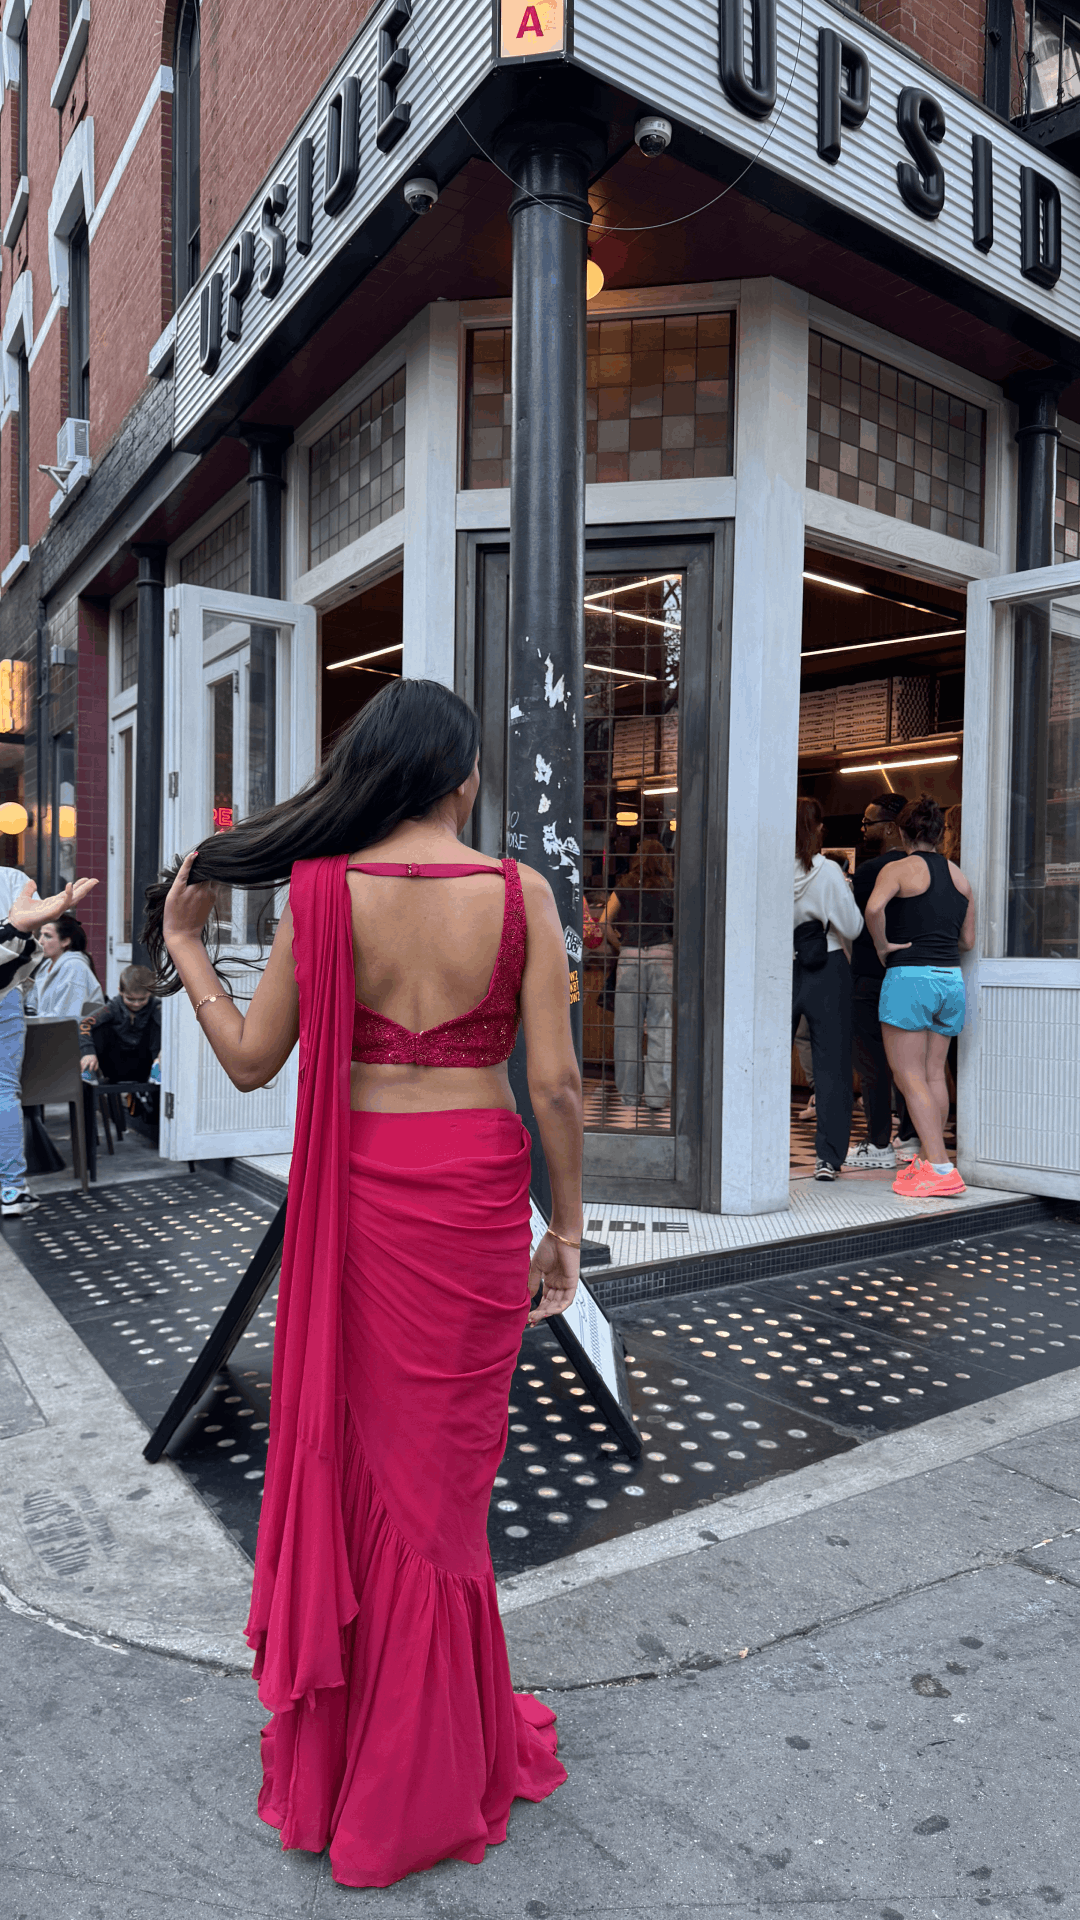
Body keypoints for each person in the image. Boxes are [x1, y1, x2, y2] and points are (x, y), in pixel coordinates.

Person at [146, 678, 576, 1889]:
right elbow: (553, 1089)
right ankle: (439, 1752)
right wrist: (570, 1232)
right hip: (482, 1195)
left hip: (368, 1197)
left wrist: (186, 945)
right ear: (459, 776)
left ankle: (365, 1760)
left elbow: (247, 1062)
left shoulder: (322, 896)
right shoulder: (519, 895)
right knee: (448, 1485)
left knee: (373, 1470)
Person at [864, 794, 975, 1199]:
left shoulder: (899, 869)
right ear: (938, 832)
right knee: (932, 1075)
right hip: (950, 979)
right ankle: (930, 1162)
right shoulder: (959, 876)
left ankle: (942, 1169)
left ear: (903, 831)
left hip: (910, 978)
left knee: (908, 1076)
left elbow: (874, 909)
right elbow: (967, 940)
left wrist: (883, 946)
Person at [0, 874, 98, 1214]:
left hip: (70, 1052)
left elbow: (74, 1017)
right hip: (8, 998)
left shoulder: (71, 967)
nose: (43, 938)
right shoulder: (12, 880)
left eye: (48, 933)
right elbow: (27, 957)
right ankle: (11, 1188)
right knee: (4, 1092)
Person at [793, 796, 863, 1180]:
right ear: (818, 828)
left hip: (779, 969)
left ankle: (756, 1149)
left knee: (765, 1060)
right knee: (832, 1066)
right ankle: (827, 1158)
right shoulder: (830, 871)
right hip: (827, 965)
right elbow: (852, 927)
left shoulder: (770, 869)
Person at [845, 793, 916, 1171]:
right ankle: (908, 1136)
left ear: (890, 827)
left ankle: (877, 1143)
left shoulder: (873, 871)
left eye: (868, 822)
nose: (863, 828)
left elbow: (852, 922)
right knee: (909, 1060)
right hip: (908, 975)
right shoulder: (923, 869)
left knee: (873, 1063)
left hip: (871, 975)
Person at [599, 838, 674, 1112]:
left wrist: (621, 945)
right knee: (660, 1027)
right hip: (664, 957)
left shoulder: (625, 886)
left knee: (626, 1029)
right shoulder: (670, 887)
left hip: (630, 957)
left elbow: (603, 921)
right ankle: (656, 1097)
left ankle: (629, 1096)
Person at [81, 964, 161, 1084]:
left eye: (142, 999)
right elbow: (85, 1023)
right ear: (120, 992)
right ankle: (89, 1072)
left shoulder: (155, 1006)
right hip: (115, 1061)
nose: (136, 1004)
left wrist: (163, 1052)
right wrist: (88, 1052)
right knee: (99, 1026)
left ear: (150, 993)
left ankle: (157, 1071)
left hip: (145, 1062)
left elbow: (172, 1032)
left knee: (159, 1024)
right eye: (130, 999)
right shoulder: (114, 1007)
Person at [25, 912, 104, 1020]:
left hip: (71, 1034)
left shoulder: (75, 967)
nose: (40, 941)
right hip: (46, 1030)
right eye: (40, 935)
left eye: (47, 936)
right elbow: (32, 1005)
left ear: (66, 941)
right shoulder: (46, 965)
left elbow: (67, 1017)